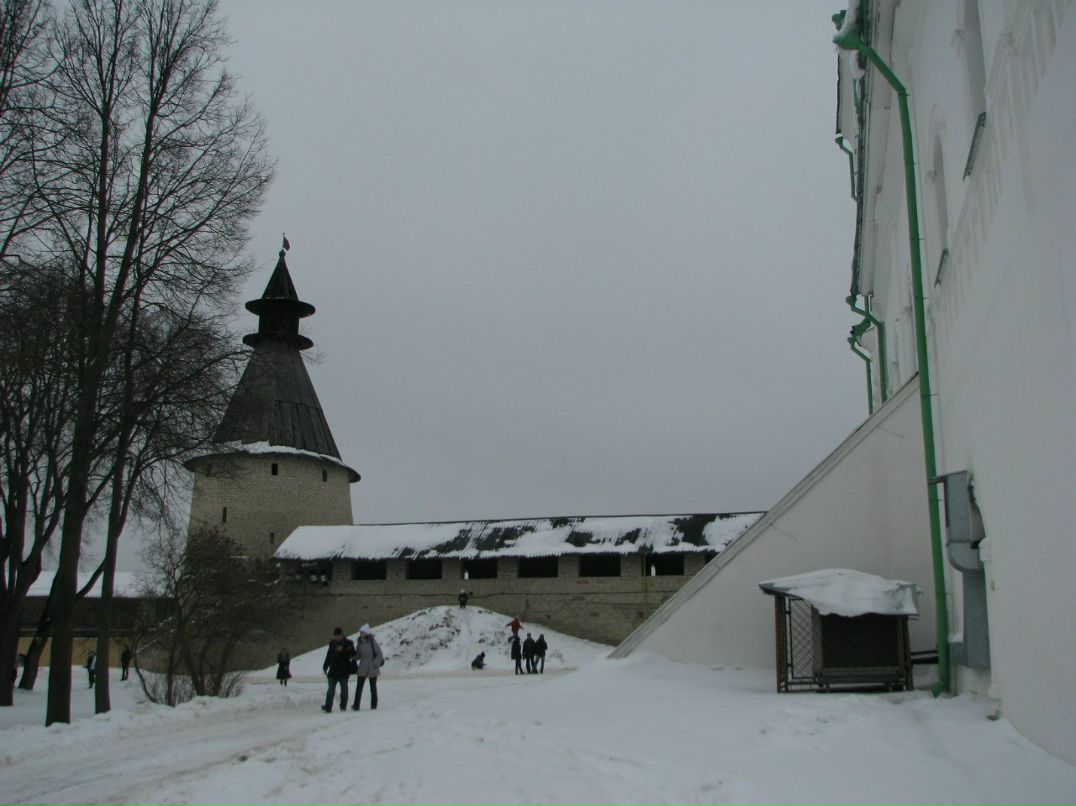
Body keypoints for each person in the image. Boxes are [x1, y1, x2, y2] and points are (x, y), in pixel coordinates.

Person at [321, 627, 355, 712]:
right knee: (330, 690)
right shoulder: (332, 643)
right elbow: (328, 656)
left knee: (344, 691)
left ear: (342, 634)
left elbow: (353, 655)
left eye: (339, 635)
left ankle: (343, 706)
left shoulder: (348, 643)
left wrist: (344, 650)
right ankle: (328, 706)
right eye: (336, 636)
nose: (337, 637)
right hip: (333, 671)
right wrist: (325, 666)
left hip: (344, 671)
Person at [352, 624, 384, 711]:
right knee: (359, 687)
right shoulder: (359, 642)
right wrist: (353, 657)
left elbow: (379, 654)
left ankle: (374, 706)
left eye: (363, 632)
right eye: (360, 632)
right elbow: (358, 655)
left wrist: (375, 663)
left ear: (367, 633)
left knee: (373, 688)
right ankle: (356, 705)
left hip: (372, 667)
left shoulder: (373, 642)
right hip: (362, 667)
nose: (361, 634)